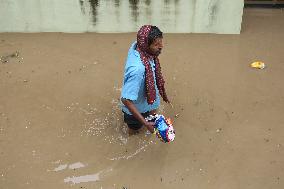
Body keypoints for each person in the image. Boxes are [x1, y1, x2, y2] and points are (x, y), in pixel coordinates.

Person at [121, 25, 170, 134]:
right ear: (145, 45)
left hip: (148, 102)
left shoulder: (137, 46)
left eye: (161, 42)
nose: (161, 46)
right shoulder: (138, 70)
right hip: (136, 110)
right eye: (156, 44)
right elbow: (125, 99)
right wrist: (145, 123)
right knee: (134, 133)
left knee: (154, 118)